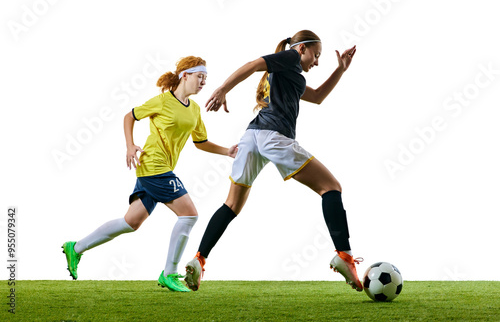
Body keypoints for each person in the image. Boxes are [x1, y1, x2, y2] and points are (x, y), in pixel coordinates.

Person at [184, 30, 363, 292]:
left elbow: (317, 97)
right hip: (273, 137)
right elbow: (252, 65)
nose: (317, 61)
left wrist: (341, 70)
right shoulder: (290, 57)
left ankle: (198, 259)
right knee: (331, 188)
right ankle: (344, 255)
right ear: (301, 49)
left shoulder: (292, 74)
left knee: (232, 205)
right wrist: (222, 89)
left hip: (251, 137)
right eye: (316, 55)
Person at [62, 56, 237, 292]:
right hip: (154, 165)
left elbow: (201, 141)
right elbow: (130, 116)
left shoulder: (194, 109)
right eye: (199, 77)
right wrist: (130, 145)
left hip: (159, 169)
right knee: (189, 215)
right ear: (185, 75)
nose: (203, 82)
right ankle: (170, 273)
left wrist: (227, 151)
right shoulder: (163, 101)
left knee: (130, 222)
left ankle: (76, 248)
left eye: (205, 78)